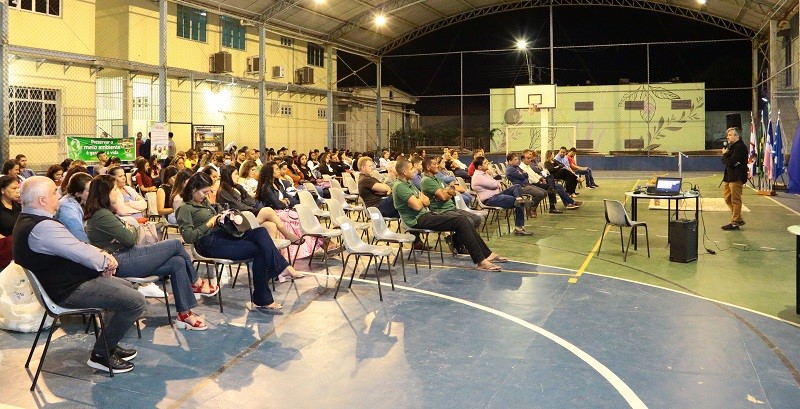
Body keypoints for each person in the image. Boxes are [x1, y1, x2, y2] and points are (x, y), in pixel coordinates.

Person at [13, 176, 145, 373]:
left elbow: (75, 248)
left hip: (63, 285)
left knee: (125, 287)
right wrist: (106, 261)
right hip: (67, 291)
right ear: (41, 200)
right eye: (54, 193)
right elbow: (79, 251)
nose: (59, 196)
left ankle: (108, 343)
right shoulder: (43, 227)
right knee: (135, 301)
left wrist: (101, 258)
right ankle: (101, 355)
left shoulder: (28, 221)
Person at [84, 175, 215, 330]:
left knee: (177, 263)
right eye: (114, 190)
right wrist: (128, 228)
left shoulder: (105, 213)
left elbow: (128, 233)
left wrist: (126, 228)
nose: (118, 193)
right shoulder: (102, 215)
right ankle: (196, 282)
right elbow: (131, 237)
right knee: (175, 244)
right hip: (121, 260)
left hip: (127, 255)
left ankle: (185, 314)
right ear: (105, 193)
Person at [176, 173, 302, 309]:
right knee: (258, 250)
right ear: (193, 189)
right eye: (204, 192)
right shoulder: (185, 209)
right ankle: (266, 293)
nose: (207, 195)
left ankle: (278, 270)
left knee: (260, 232)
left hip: (223, 235)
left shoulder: (203, 202)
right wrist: (210, 223)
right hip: (208, 244)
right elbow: (188, 237)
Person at [393, 160, 507, 271]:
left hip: (426, 214)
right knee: (460, 221)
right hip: (417, 220)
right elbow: (418, 206)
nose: (414, 171)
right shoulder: (400, 186)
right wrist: (421, 200)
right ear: (404, 171)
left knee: (462, 219)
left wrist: (421, 200)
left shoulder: (409, 184)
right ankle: (481, 261)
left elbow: (426, 201)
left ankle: (486, 254)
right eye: (411, 169)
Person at [471, 156, 532, 236]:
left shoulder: (485, 174)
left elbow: (496, 182)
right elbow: (494, 184)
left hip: (497, 195)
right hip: (490, 200)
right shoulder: (478, 177)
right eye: (485, 163)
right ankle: (519, 228)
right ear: (479, 166)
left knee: (517, 186)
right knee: (519, 203)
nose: (488, 164)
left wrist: (496, 182)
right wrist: (496, 183)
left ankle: (519, 198)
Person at [721, 127, 748, 230]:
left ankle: (734, 222)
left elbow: (730, 163)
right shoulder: (732, 147)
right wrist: (727, 156)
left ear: (736, 136)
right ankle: (739, 218)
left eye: (730, 135)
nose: (728, 137)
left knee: (735, 200)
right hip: (729, 177)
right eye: (728, 135)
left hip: (736, 177)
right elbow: (729, 162)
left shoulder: (740, 147)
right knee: (727, 198)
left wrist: (725, 154)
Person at [505, 152, 548, 217]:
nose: (517, 161)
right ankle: (531, 209)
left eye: (517, 159)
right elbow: (522, 176)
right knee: (540, 194)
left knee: (544, 192)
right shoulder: (510, 169)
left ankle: (531, 208)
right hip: (521, 188)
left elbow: (526, 174)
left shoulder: (517, 167)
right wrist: (523, 174)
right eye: (515, 160)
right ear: (510, 161)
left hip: (527, 185)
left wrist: (523, 174)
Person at [56, 172, 92, 243]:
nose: (94, 192)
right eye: (89, 190)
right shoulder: (67, 208)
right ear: (78, 193)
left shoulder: (81, 201)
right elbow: (80, 237)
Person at [0, 175, 21, 268]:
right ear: (2, 190)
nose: (17, 191)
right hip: (4, 250)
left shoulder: (19, 207)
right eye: (13, 188)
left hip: (18, 246)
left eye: (18, 188)